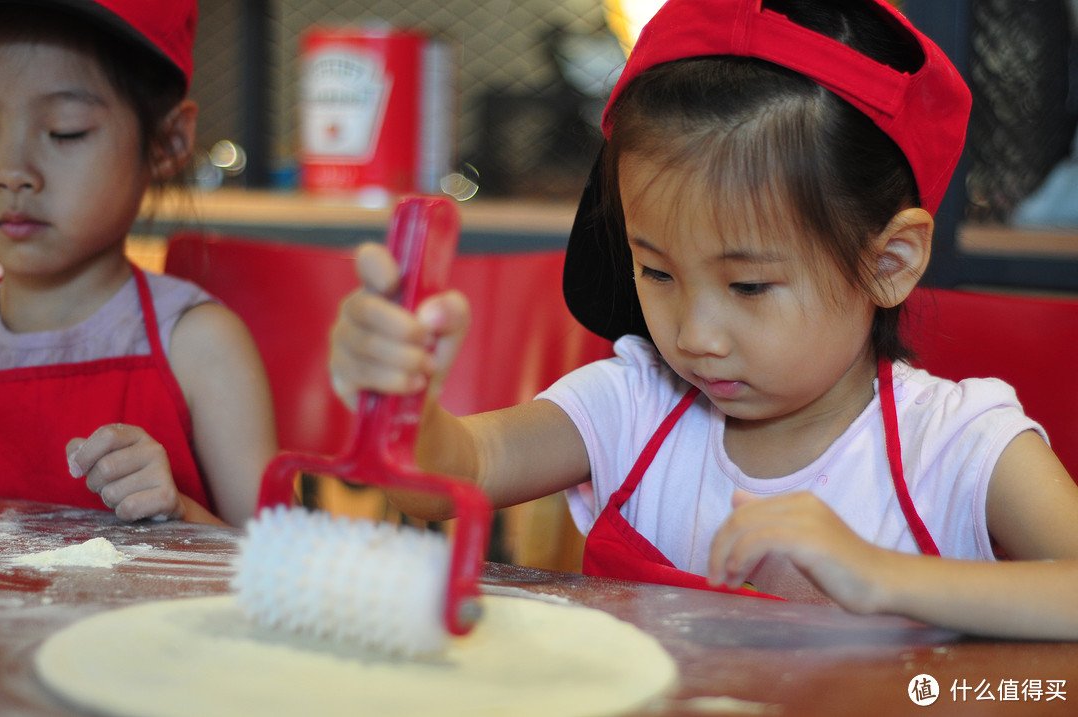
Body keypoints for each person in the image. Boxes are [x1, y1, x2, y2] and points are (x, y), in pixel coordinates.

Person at [329, 0, 1078, 639]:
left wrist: (883, 577)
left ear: (889, 262)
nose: (694, 335)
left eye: (749, 286)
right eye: (656, 271)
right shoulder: (633, 404)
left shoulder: (957, 444)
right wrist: (399, 393)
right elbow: (451, 475)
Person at [0, 0, 276, 526]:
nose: (12, 170)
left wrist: (180, 515)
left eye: (65, 131)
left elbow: (276, 577)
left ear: (168, 142)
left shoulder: (200, 347)